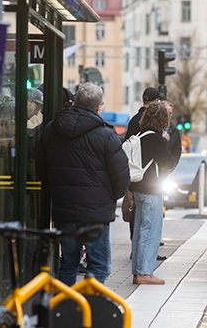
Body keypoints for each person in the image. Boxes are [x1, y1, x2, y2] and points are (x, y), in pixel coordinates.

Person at [36, 82, 129, 287]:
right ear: (98, 107)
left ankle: (64, 310)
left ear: (75, 102)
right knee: (99, 267)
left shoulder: (51, 130)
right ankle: (87, 309)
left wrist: (57, 193)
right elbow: (121, 176)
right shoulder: (106, 134)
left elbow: (42, 170)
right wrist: (108, 199)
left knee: (68, 264)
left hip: (64, 210)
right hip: (95, 214)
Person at [130, 102, 176, 285]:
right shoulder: (156, 139)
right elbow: (169, 162)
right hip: (151, 190)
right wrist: (164, 142)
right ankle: (145, 273)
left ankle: (137, 272)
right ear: (161, 120)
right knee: (151, 231)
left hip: (139, 189)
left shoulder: (139, 136)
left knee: (139, 231)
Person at [125, 87, 161, 240]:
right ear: (156, 101)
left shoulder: (133, 120)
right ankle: (144, 252)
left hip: (133, 174)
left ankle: (136, 245)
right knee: (149, 221)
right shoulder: (153, 122)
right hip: (149, 179)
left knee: (136, 214)